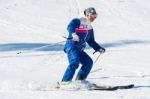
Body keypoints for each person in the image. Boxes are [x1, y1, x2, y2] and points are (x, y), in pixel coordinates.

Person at [61, 7, 105, 83]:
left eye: (95, 16)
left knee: (88, 62)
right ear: (87, 15)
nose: (94, 18)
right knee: (75, 62)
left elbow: (91, 40)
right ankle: (65, 82)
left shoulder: (90, 27)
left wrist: (98, 48)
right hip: (71, 46)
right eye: (92, 16)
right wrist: (73, 34)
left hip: (79, 49)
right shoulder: (78, 20)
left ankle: (80, 80)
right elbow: (70, 26)